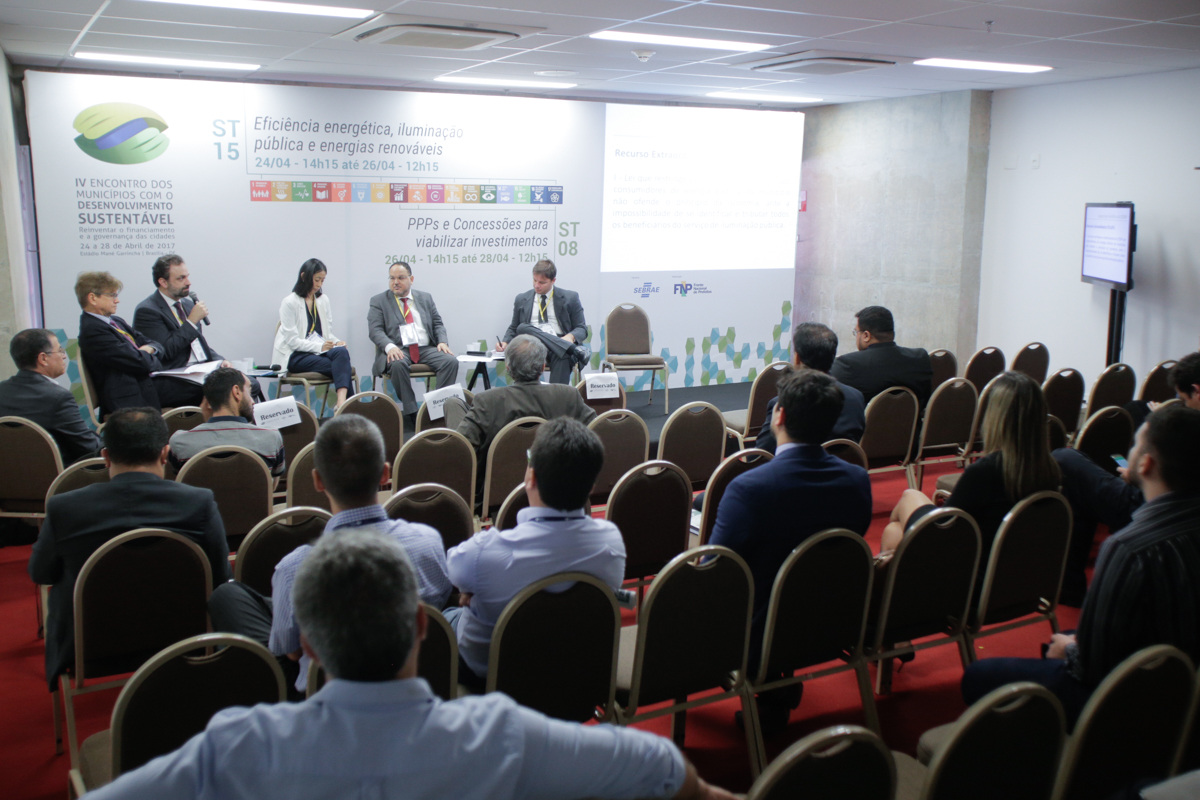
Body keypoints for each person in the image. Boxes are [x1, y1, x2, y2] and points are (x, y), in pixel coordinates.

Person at [85, 530, 735, 800]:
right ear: (423, 626)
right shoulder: (499, 734)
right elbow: (659, 765)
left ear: (306, 645)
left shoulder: (236, 746)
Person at [961, 405, 1200, 725]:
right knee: (1071, 634)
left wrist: (1070, 650)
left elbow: (1091, 670)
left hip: (1129, 704)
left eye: (1134, 445)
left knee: (978, 676)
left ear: (1146, 464)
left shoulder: (1128, 549)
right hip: (1182, 681)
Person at [207, 414, 450, 695]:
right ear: (385, 474)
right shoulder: (428, 541)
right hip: (417, 678)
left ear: (318, 480)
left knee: (227, 596)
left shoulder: (296, 568)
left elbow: (292, 653)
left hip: (324, 691)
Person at [709, 369, 872, 734]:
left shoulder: (749, 488)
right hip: (834, 622)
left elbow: (715, 570)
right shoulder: (857, 480)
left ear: (779, 415)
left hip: (755, 636)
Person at [27, 408, 231, 691]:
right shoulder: (199, 503)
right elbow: (220, 576)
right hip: (183, 639)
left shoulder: (65, 508)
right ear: (165, 453)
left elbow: (40, 573)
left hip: (89, 649)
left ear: (106, 457)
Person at [445, 417, 624, 687]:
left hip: (490, 680)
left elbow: (451, 572)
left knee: (443, 615)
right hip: (572, 675)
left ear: (530, 477)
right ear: (591, 487)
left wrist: (474, 594)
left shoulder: (485, 553)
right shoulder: (612, 542)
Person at [880, 372, 1062, 576]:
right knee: (894, 533)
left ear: (996, 418)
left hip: (970, 574)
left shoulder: (986, 471)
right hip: (1013, 573)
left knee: (908, 499)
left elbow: (942, 528)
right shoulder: (1050, 470)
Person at [457, 334, 596, 496]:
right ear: (543, 367)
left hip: (494, 497)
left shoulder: (487, 401)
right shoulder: (568, 396)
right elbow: (598, 430)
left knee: (454, 407)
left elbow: (461, 450)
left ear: (508, 368)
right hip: (556, 492)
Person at [133, 253, 263, 405]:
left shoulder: (187, 305)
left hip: (198, 371)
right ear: (163, 282)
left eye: (187, 277)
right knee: (228, 389)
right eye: (181, 278)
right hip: (171, 378)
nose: (188, 282)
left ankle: (238, 420)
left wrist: (220, 361)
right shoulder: (147, 311)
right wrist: (192, 321)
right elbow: (165, 352)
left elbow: (198, 345)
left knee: (250, 384)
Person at [367, 261, 459, 421]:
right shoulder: (379, 301)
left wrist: (442, 341)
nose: (395, 282)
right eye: (392, 278)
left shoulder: (425, 298)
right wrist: (389, 346)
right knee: (397, 363)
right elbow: (375, 330)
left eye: (401, 278)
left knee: (450, 361)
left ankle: (438, 410)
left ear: (411, 279)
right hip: (399, 349)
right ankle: (412, 413)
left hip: (425, 348)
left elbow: (437, 323)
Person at [754, 322, 866, 452]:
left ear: (797, 358)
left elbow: (761, 455)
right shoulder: (856, 397)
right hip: (845, 465)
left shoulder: (783, 403)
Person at [0, 328, 100, 465]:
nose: (64, 356)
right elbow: (88, 447)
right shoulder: (58, 398)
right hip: (59, 475)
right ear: (43, 358)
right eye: (59, 350)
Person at [75, 271, 165, 416]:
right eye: (112, 295)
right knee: (197, 390)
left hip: (147, 384)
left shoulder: (116, 321)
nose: (117, 301)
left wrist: (148, 350)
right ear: (93, 298)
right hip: (131, 399)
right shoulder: (92, 330)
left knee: (199, 386)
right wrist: (147, 353)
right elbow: (140, 362)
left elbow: (155, 344)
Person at [167, 367, 284, 478]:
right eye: (249, 391)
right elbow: (271, 486)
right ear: (237, 392)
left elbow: (181, 483)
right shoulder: (271, 438)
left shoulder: (179, 442)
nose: (253, 401)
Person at [272, 258, 352, 410]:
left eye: (322, 280)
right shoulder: (289, 302)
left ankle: (341, 402)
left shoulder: (323, 300)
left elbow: (327, 334)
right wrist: (320, 347)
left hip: (318, 353)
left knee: (341, 352)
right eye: (317, 280)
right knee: (342, 366)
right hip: (296, 355)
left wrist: (336, 342)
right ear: (304, 276)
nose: (319, 284)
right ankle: (348, 409)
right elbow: (292, 341)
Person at [498, 259, 590, 385]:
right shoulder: (522, 299)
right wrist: (505, 342)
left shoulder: (570, 298)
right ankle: (572, 349)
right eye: (534, 280)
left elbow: (581, 328)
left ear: (553, 280)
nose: (537, 285)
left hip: (559, 343)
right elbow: (514, 327)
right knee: (522, 327)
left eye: (542, 282)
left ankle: (556, 398)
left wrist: (570, 336)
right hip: (532, 345)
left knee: (562, 354)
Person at [831, 305, 933, 408]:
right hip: (911, 418)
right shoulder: (920, 357)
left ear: (866, 336)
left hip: (865, 419)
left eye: (856, 332)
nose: (856, 336)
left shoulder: (848, 364)